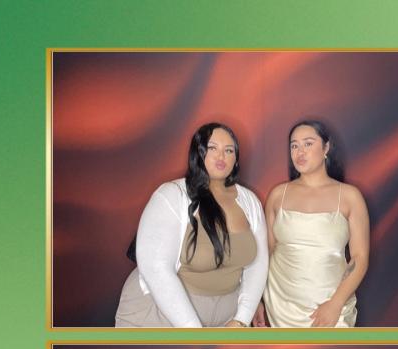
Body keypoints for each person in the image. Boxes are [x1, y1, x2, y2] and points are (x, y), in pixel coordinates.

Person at [115, 123, 268, 327]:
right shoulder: (171, 195)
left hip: (226, 320)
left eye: (229, 150)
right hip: (160, 315)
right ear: (198, 152)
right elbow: (156, 268)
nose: (221, 156)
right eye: (212, 148)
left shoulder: (250, 202)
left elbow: (258, 263)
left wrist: (241, 319)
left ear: (236, 158)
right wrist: (193, 331)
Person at [255, 120, 370, 327]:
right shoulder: (278, 195)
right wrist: (258, 300)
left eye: (308, 144)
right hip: (281, 305)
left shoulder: (350, 197)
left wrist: (336, 303)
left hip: (332, 304)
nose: (300, 152)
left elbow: (359, 258)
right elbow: (266, 254)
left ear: (326, 148)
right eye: (294, 146)